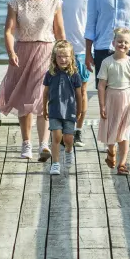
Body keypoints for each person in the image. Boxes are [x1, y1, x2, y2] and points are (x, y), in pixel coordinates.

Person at [0, 0, 65, 161]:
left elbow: (59, 32)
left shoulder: (54, 1)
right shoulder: (16, 2)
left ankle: (43, 144)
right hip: (22, 51)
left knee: (41, 96)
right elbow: (8, 31)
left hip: (46, 51)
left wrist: (64, 57)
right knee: (25, 98)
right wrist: (10, 52)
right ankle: (26, 143)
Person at [49, 0, 94, 146]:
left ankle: (78, 130)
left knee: (81, 92)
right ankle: (61, 130)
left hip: (83, 49)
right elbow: (50, 19)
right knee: (59, 92)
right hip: (62, 49)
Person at [97, 27, 130, 174]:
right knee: (111, 130)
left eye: (126, 42)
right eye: (120, 41)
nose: (122, 45)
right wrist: (102, 104)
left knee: (124, 132)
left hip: (127, 99)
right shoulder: (107, 62)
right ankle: (111, 151)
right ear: (113, 42)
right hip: (111, 98)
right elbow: (101, 85)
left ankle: (122, 163)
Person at [42, 41, 85, 176]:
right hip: (54, 110)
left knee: (68, 139)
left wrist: (79, 110)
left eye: (66, 56)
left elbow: (79, 95)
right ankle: (55, 164)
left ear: (71, 57)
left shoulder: (75, 75)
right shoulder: (50, 74)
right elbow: (45, 93)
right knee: (56, 137)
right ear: (55, 58)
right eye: (59, 56)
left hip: (70, 111)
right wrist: (44, 108)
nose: (63, 59)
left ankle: (68, 151)